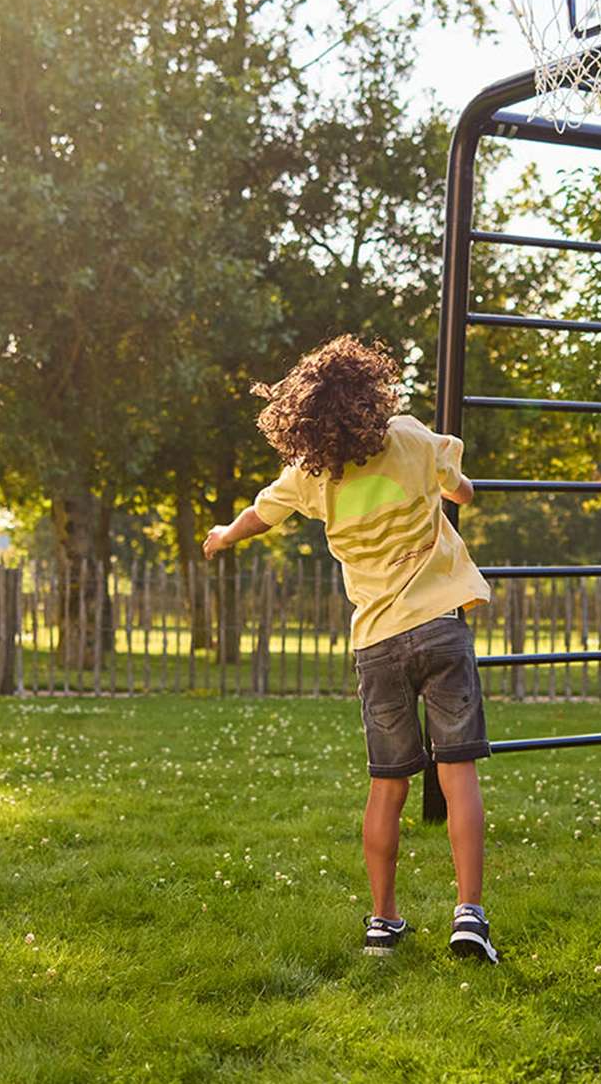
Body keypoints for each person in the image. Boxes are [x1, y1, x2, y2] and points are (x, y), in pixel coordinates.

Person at [204, 335, 497, 962]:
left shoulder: (313, 476)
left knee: (387, 784)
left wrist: (225, 535)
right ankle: (469, 913)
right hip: (441, 626)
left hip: (378, 643)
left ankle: (383, 921)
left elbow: (261, 515)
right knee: (459, 772)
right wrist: (454, 492)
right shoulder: (412, 438)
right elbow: (462, 489)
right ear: (373, 393)